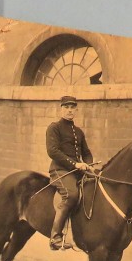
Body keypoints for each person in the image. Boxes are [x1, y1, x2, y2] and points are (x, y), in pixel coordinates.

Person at [46, 95, 97, 250]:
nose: (69, 110)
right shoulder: (54, 128)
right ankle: (55, 237)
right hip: (60, 170)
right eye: (66, 107)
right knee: (71, 195)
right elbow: (52, 151)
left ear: (76, 110)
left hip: (77, 171)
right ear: (61, 109)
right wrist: (75, 164)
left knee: (96, 187)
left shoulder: (78, 132)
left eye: (72, 107)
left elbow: (86, 153)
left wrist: (88, 166)